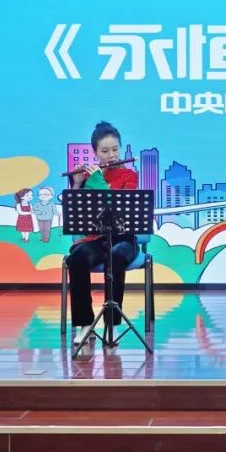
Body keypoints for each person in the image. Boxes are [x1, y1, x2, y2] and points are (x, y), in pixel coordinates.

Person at [66, 121, 139, 347]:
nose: (112, 155)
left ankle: (111, 325)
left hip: (123, 238)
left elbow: (120, 211)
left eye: (115, 149)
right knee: (77, 258)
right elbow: (75, 213)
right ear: (96, 152)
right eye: (105, 151)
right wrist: (78, 184)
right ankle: (85, 324)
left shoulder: (129, 175)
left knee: (116, 257)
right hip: (96, 238)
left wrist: (98, 181)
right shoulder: (89, 176)